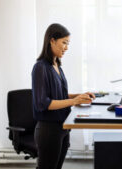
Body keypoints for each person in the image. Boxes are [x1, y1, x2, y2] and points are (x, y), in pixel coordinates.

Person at [32, 23, 95, 169]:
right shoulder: (40, 67)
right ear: (52, 41)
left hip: (62, 128)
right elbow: (43, 103)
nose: (66, 47)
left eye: (68, 43)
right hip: (49, 130)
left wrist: (80, 96)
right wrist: (74, 101)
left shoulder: (57, 66)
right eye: (64, 43)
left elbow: (59, 95)